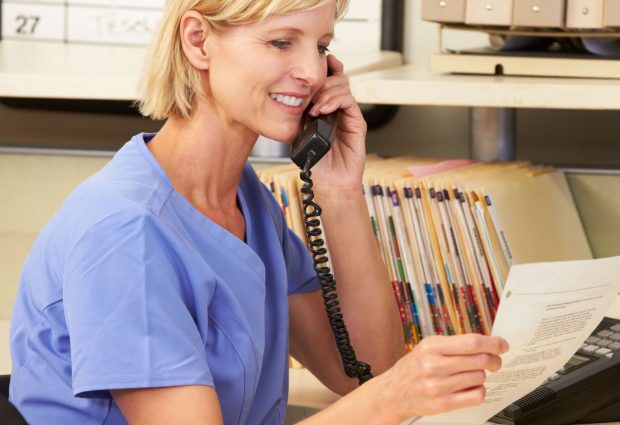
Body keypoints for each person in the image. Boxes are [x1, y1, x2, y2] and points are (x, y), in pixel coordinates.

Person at [8, 0, 509, 424]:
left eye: (322, 46)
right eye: (281, 42)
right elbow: (381, 392)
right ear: (199, 41)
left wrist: (339, 194)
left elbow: (364, 371)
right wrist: (391, 398)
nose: (313, 72)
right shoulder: (123, 232)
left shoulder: (247, 201)